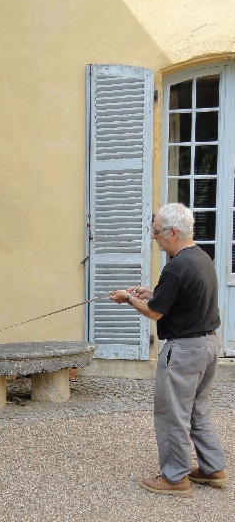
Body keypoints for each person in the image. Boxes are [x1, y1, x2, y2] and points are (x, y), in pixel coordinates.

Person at [109, 203, 227, 497]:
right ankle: (213, 468)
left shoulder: (175, 266)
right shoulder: (201, 258)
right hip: (209, 345)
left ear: (173, 232)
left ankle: (175, 478)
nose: (154, 237)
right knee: (198, 409)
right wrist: (151, 293)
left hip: (185, 351)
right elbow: (178, 298)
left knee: (172, 413)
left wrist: (127, 299)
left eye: (157, 231)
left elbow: (154, 314)